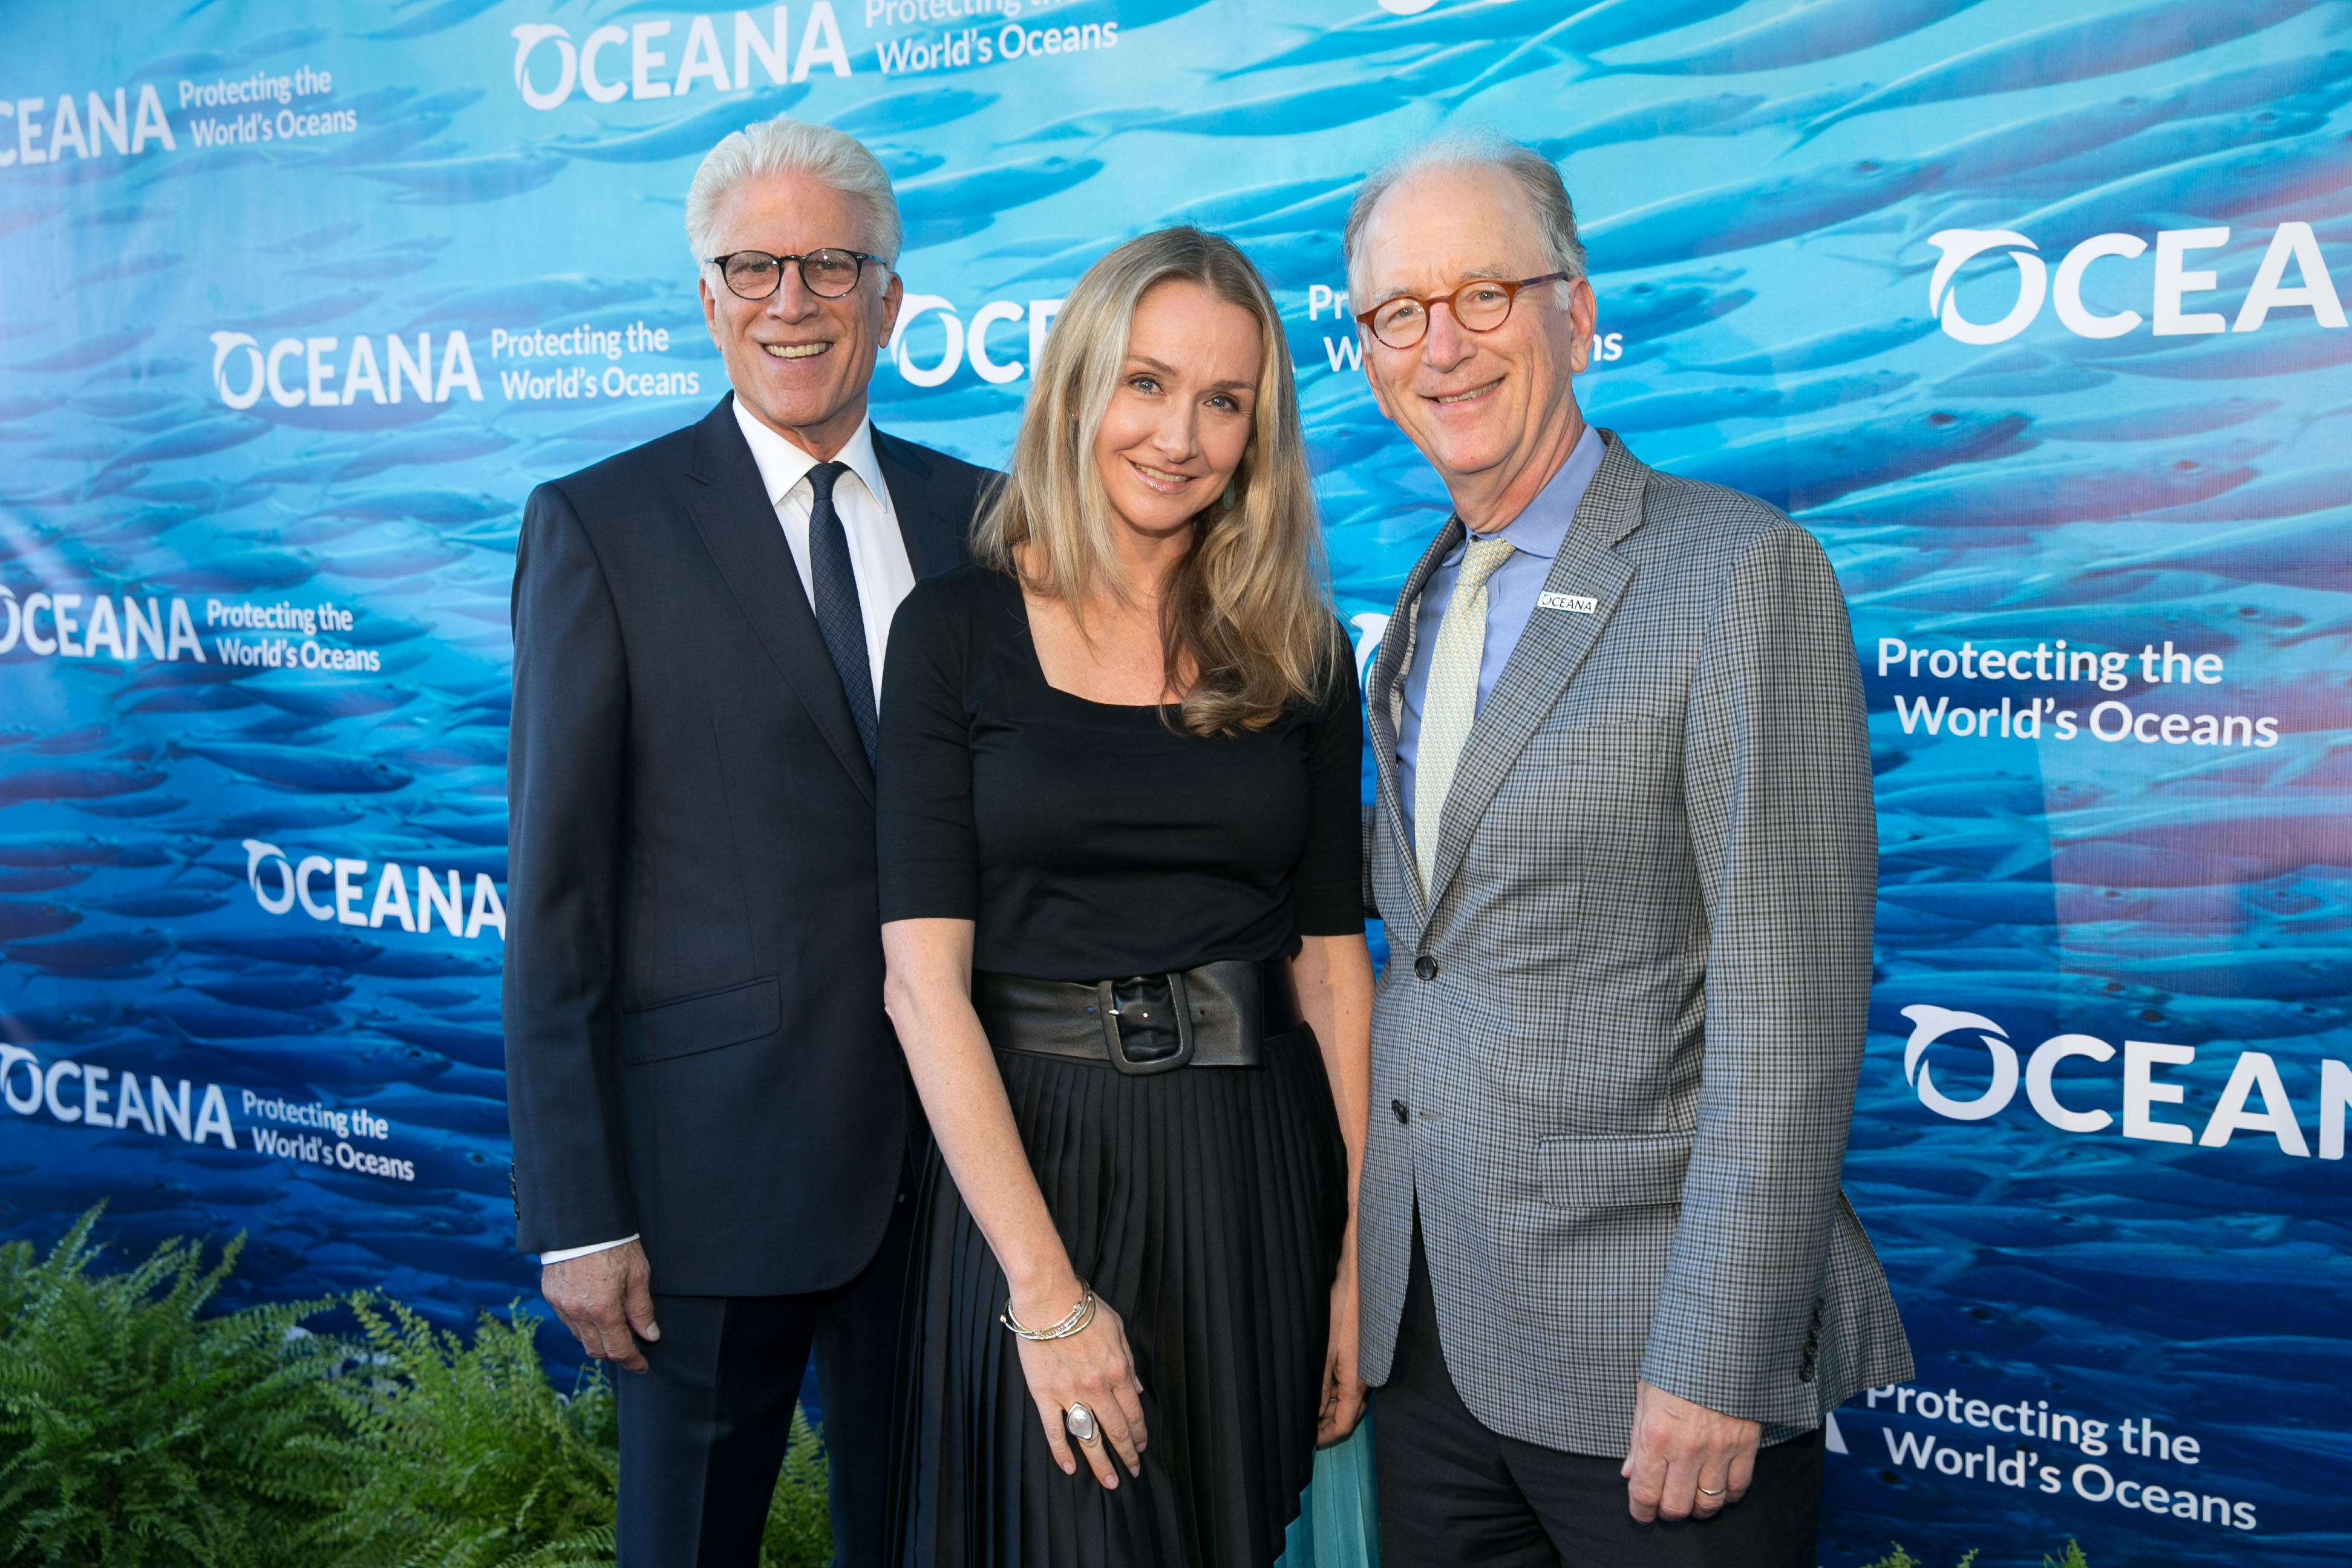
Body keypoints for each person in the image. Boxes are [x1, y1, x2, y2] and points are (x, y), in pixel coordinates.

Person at [1345, 130, 1913, 1566]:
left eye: (1486, 294)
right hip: (1431, 1360)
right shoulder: (1417, 607)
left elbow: (1788, 1014)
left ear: (1580, 311)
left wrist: (1719, 1355)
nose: (1441, 345)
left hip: (1654, 1371)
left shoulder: (1738, 576)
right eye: (1397, 312)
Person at [503, 116, 991, 1567]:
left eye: (831, 266)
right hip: (710, 1190)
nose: (794, 302)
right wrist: (579, 1213)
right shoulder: (602, 527)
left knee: (925, 1541)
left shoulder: (985, 519)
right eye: (755, 268)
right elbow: (559, 896)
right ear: (707, 296)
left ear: (890, 299)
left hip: (955, 1176)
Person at [875, 226, 1373, 1568]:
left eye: (1227, 401)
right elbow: (922, 988)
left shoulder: (1306, 653)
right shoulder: (953, 633)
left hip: (1255, 1175)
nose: (1182, 435)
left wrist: (1351, 1268)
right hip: (1035, 1174)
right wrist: (1045, 1300)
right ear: (1082, 388)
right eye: (1148, 384)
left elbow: (1332, 971)